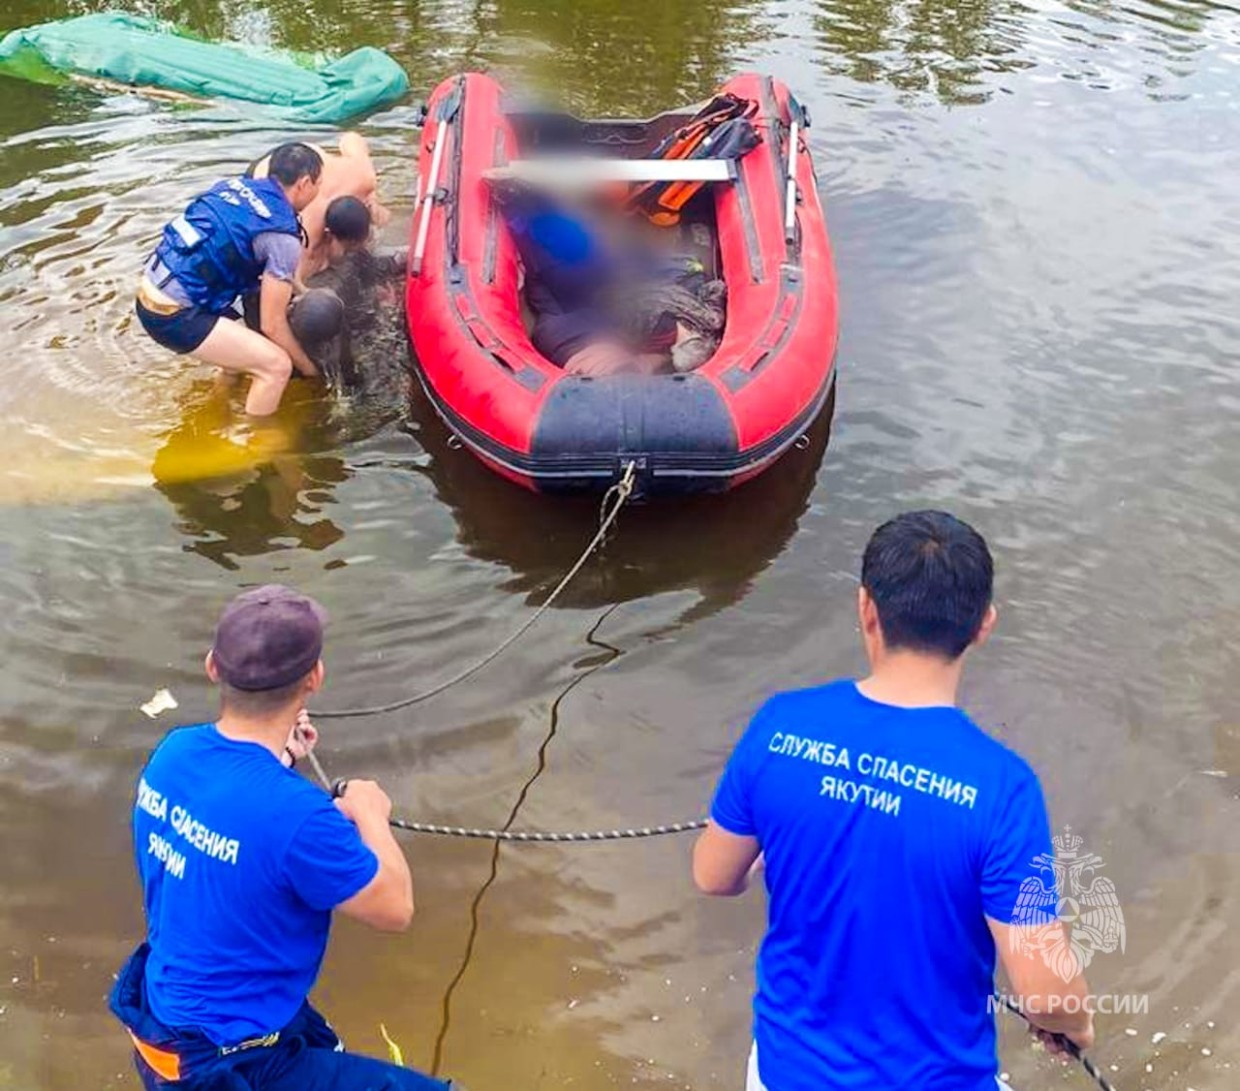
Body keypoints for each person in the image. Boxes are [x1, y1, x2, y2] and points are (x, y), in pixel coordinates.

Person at [693, 511, 1095, 1091]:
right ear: (983, 625)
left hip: (786, 1075)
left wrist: (763, 847)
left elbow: (713, 874)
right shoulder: (1003, 789)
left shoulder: (779, 726)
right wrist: (1075, 1024)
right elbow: (1044, 991)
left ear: (865, 608)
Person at [109, 585, 455, 1091]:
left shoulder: (174, 752)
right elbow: (394, 907)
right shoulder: (302, 818)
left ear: (212, 666)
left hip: (167, 1026)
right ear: (314, 678)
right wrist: (371, 813)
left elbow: (235, 816)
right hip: (227, 1066)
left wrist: (280, 758)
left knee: (324, 1048)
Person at [137, 143, 327, 417]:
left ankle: (215, 412)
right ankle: (256, 448)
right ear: (304, 183)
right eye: (319, 184)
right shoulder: (282, 236)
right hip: (174, 317)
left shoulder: (234, 186)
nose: (319, 192)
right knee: (276, 366)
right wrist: (310, 371)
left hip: (151, 290)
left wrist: (300, 290)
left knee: (239, 356)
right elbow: (272, 325)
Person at [251, 133, 392, 282]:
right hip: (269, 171)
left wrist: (373, 198)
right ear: (328, 234)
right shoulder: (311, 222)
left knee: (380, 217)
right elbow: (288, 276)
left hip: (306, 157)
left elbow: (351, 138)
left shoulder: (365, 178)